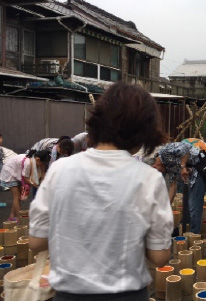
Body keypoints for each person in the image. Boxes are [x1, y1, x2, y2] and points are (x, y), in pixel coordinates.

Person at [29, 82, 172, 301]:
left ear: (98, 121)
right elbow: (160, 256)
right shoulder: (149, 178)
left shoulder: (59, 169)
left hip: (68, 295)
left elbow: (36, 242)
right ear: (145, 130)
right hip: (127, 295)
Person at [152, 142, 206, 234]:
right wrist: (167, 205)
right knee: (188, 204)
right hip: (191, 177)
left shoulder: (165, 152)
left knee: (194, 206)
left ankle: (194, 235)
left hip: (200, 171)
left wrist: (183, 166)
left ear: (155, 166)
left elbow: (185, 148)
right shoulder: (168, 167)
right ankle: (186, 228)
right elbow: (173, 186)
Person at [1, 150, 50, 218]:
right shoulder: (28, 163)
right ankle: (19, 219)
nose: (42, 165)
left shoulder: (36, 159)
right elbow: (26, 179)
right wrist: (36, 186)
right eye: (42, 163)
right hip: (9, 173)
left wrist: (43, 184)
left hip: (17, 172)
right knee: (17, 197)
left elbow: (42, 173)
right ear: (38, 159)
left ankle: (12, 217)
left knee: (18, 197)